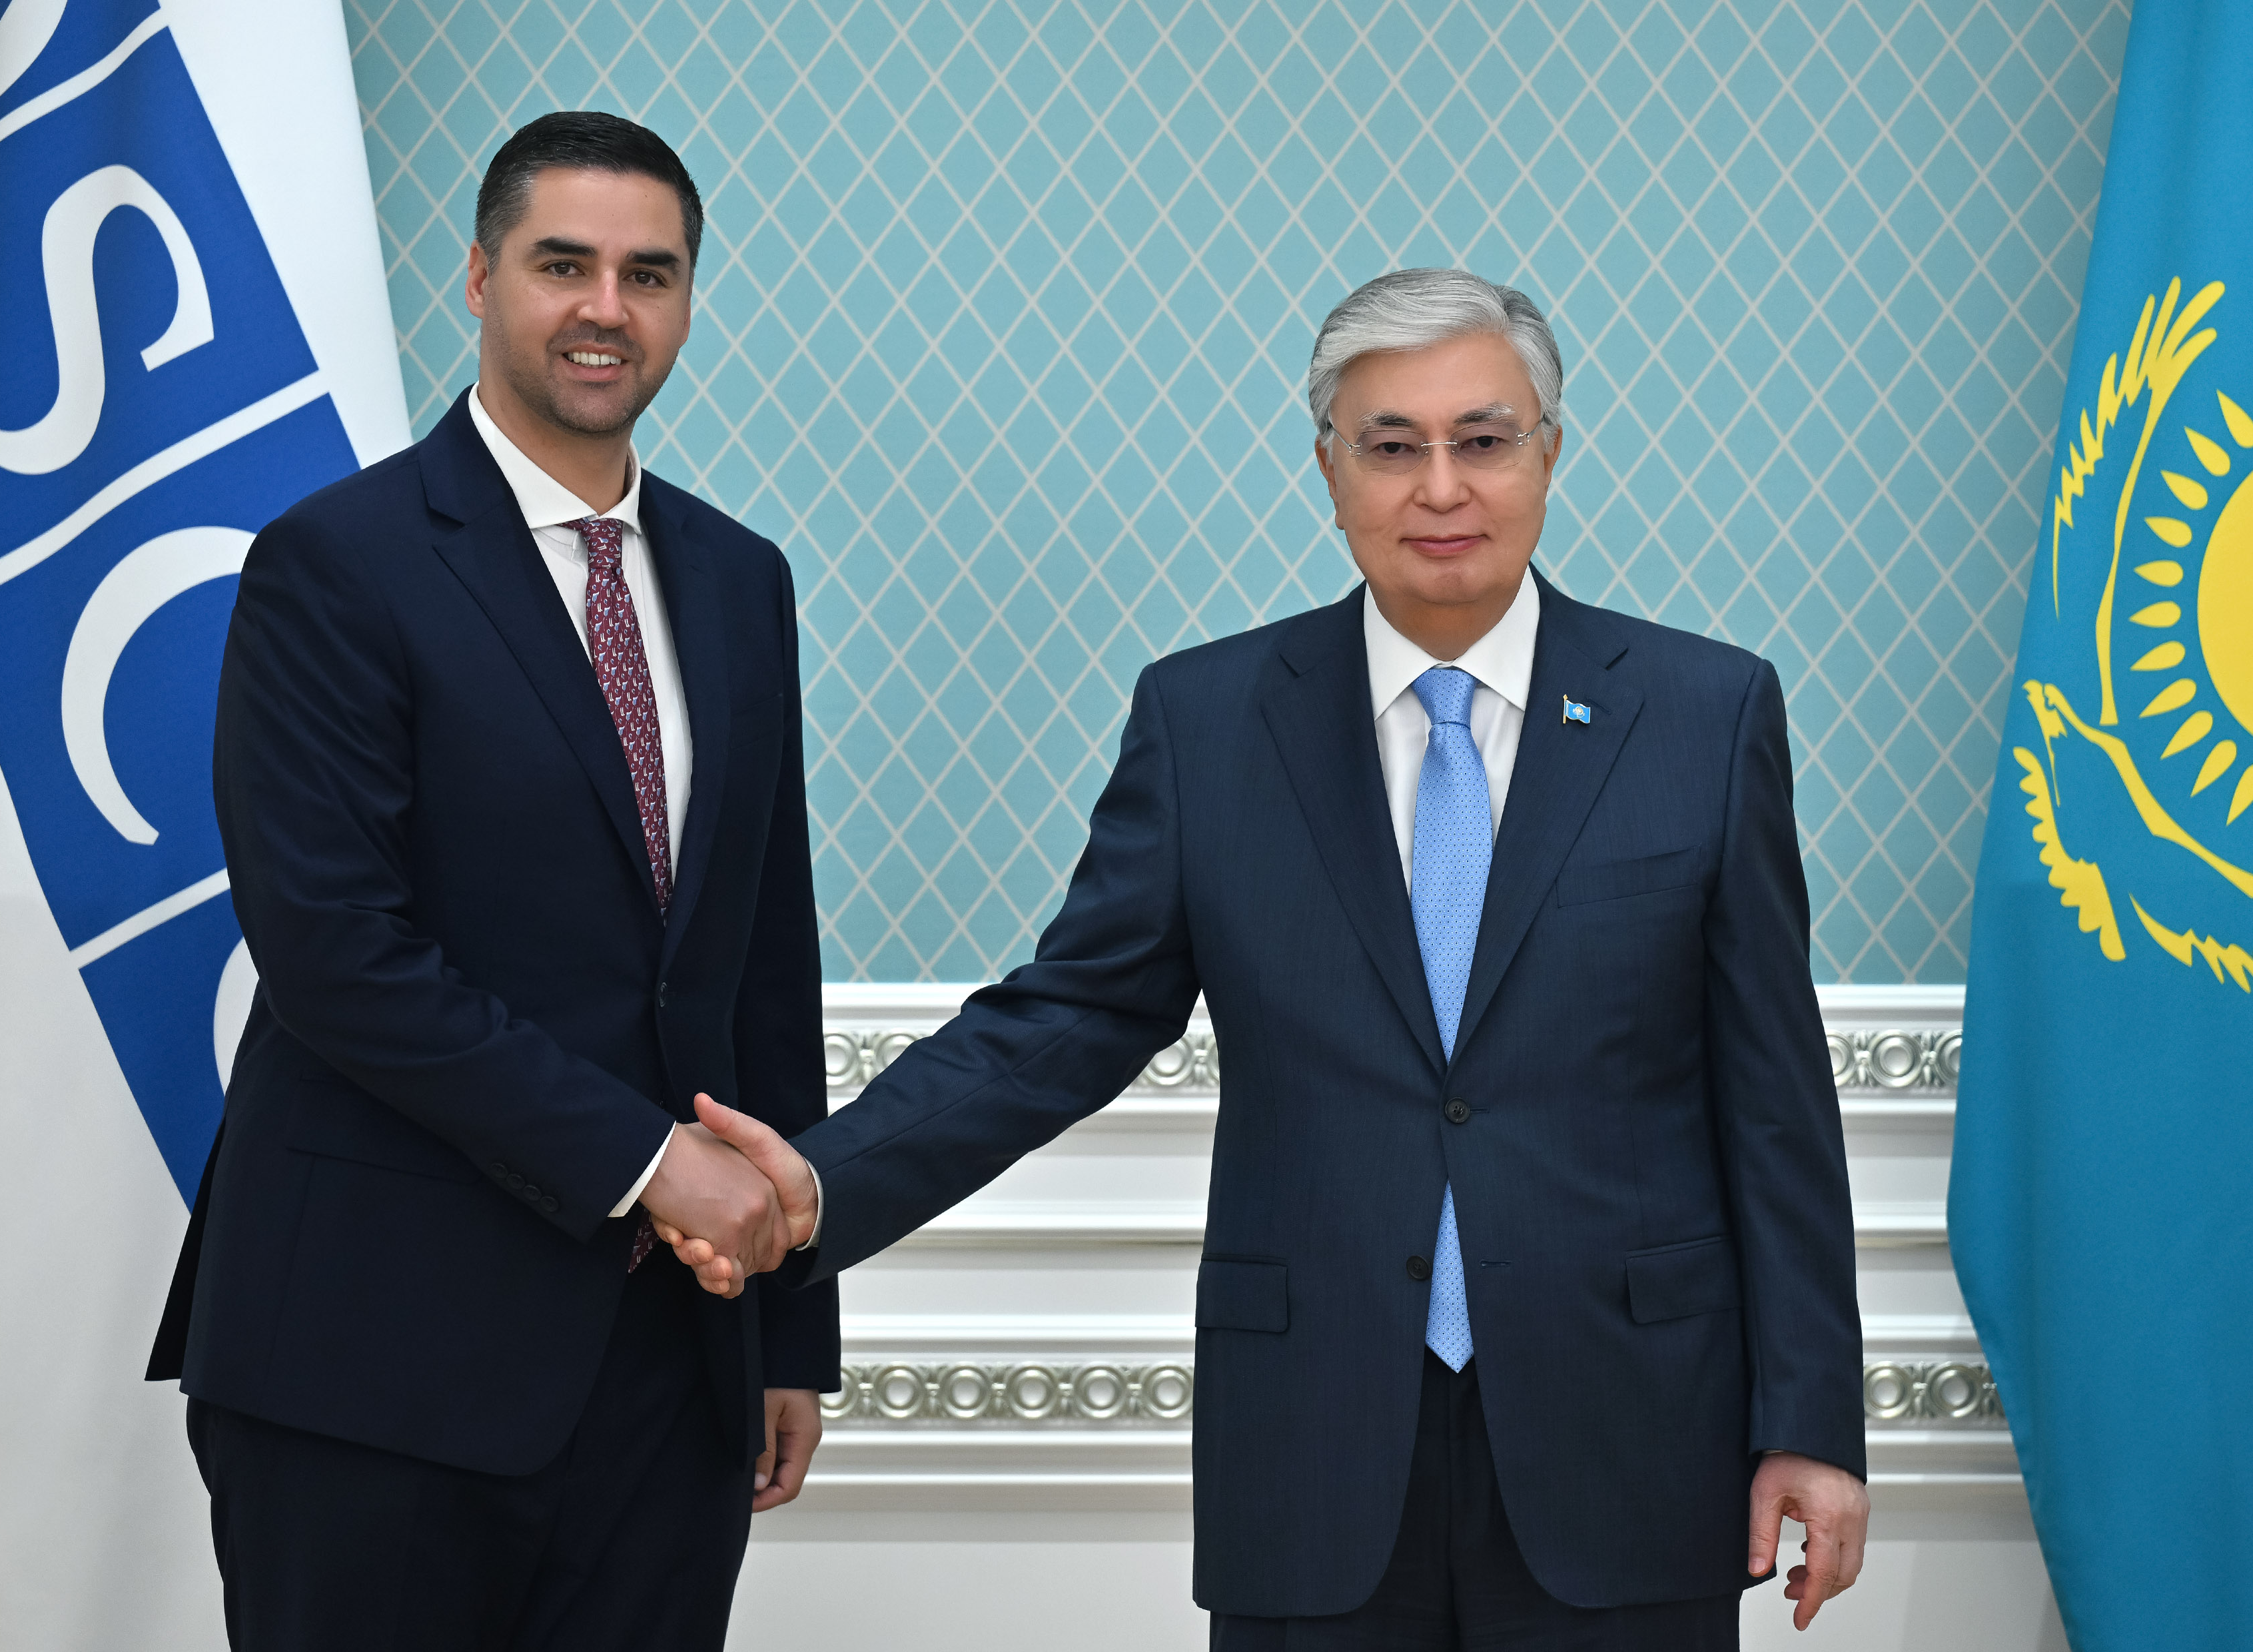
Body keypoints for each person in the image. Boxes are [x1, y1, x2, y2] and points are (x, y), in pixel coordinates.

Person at [683, 268, 1870, 1648]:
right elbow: (1065, 1020)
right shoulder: (1208, 721)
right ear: (1327, 469)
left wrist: (1810, 1418)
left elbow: (1773, 1102)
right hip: (1314, 1442)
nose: (1440, 486)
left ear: (1549, 452)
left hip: (1630, 1434)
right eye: (1391, 444)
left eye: (1483, 440)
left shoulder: (1704, 712)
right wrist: (819, 1182)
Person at [147, 111, 831, 1650]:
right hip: (370, 1356)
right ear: (477, 278)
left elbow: (758, 962)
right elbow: (337, 953)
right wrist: (651, 1164)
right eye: (562, 264)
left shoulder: (741, 580)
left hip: (670, 1365)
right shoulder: (337, 561)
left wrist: (792, 1324)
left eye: (648, 274)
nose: (606, 308)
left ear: (686, 299)